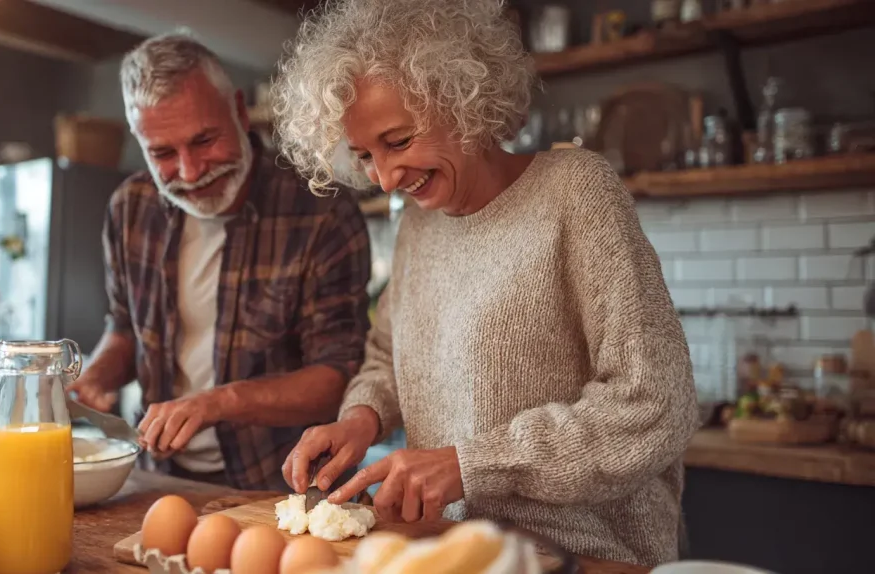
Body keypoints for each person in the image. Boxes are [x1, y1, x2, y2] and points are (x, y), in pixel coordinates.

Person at [272, 0, 698, 566]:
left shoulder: (577, 193)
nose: (387, 178)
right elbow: (385, 358)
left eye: (398, 142)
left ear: (460, 98)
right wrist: (361, 418)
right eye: (364, 156)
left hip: (587, 556)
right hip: (462, 553)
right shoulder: (417, 227)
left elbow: (654, 402)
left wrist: (470, 464)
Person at [66, 31, 373, 492]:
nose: (190, 172)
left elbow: (337, 377)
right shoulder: (130, 207)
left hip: (286, 482)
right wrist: (96, 376)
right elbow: (127, 327)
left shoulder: (321, 210)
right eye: (163, 154)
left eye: (204, 140)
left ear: (239, 109)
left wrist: (217, 402)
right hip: (160, 477)